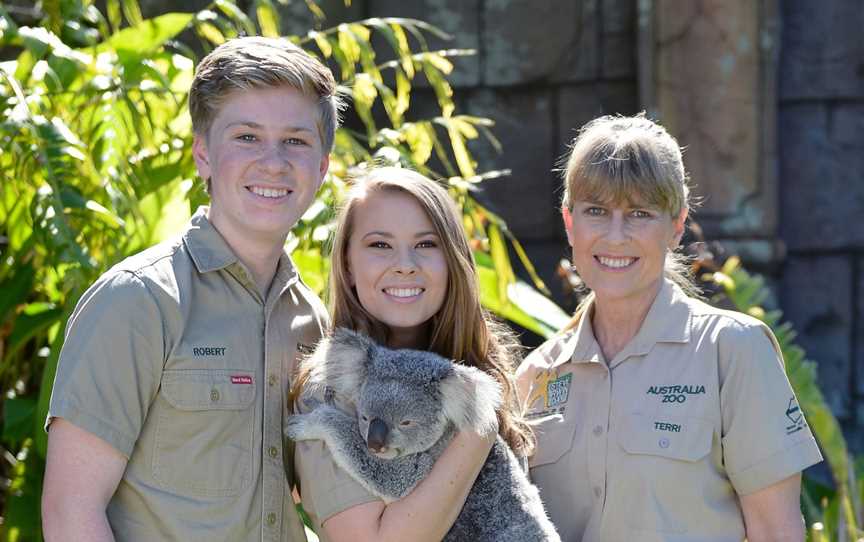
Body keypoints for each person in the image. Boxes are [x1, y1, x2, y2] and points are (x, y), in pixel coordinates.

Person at [41, 36, 340, 541]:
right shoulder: (137, 301)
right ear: (203, 154)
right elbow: (71, 511)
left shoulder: (313, 321)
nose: (273, 161)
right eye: (246, 136)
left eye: (296, 140)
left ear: (322, 167)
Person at [516, 114, 822, 542]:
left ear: (676, 226)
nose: (616, 236)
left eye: (639, 213)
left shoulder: (731, 351)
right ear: (570, 223)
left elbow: (776, 531)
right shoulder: (535, 376)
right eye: (596, 212)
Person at [291, 166, 535, 541]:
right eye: (380, 245)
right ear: (348, 266)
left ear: (453, 261)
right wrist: (476, 429)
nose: (405, 264)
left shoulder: (481, 371)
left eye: (426, 244)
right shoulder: (330, 393)